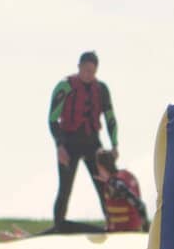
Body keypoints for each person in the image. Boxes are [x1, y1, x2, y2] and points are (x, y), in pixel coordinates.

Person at [48, 51, 118, 232]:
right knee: (65, 189)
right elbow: (52, 119)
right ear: (79, 67)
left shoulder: (102, 89)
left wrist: (115, 145)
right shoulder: (64, 86)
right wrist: (59, 146)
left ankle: (113, 225)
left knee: (105, 186)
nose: (89, 75)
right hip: (69, 143)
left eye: (93, 72)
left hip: (93, 144)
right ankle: (58, 226)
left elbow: (110, 117)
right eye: (86, 70)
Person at [95, 149, 149, 232]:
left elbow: (140, 205)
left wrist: (147, 232)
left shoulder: (115, 184)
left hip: (123, 234)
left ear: (100, 167)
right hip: (128, 231)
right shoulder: (119, 178)